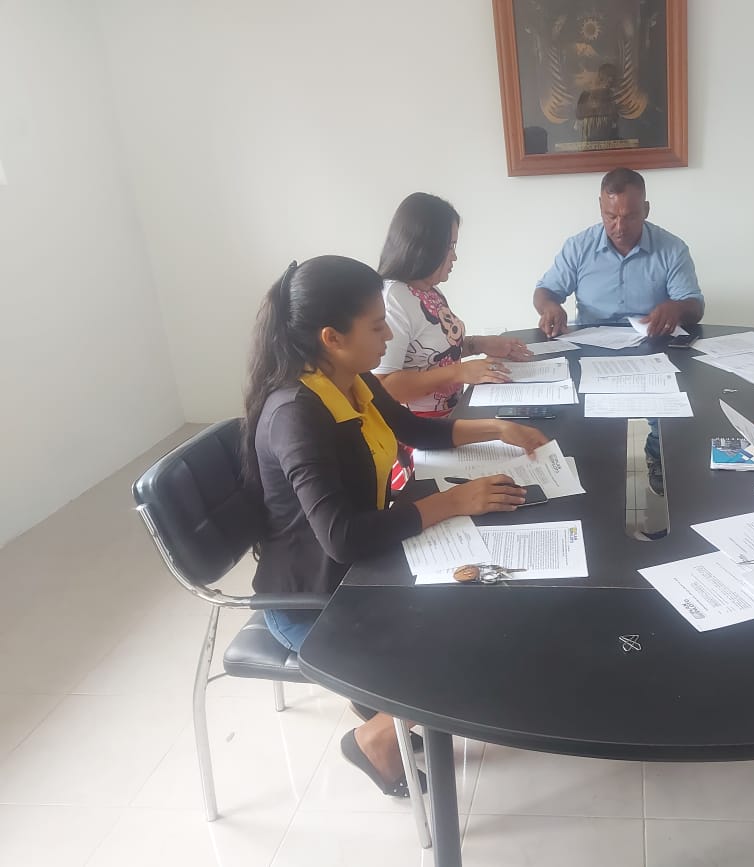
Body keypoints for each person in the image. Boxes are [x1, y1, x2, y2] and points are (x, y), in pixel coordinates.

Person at [242, 255, 548, 799]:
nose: (387, 338)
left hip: (367, 566)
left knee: (491, 604)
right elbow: (342, 537)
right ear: (332, 337)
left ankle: (387, 709)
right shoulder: (297, 413)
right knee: (469, 646)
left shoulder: (350, 379)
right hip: (316, 599)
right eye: (377, 326)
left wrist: (499, 428)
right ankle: (375, 738)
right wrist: (453, 503)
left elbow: (415, 430)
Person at [374, 192, 532, 417]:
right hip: (416, 426)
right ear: (425, 247)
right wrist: (458, 372)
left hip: (451, 415)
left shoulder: (428, 290)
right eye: (450, 246)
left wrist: (479, 344)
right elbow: (385, 387)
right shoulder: (393, 299)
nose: (454, 257)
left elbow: (434, 355)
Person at [532, 167, 704, 338]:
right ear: (600, 207)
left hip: (652, 342)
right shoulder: (578, 247)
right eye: (611, 217)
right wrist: (549, 307)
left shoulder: (672, 249)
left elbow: (695, 306)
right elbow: (545, 291)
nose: (620, 227)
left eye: (630, 217)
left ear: (646, 210)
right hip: (590, 344)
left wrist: (678, 308)